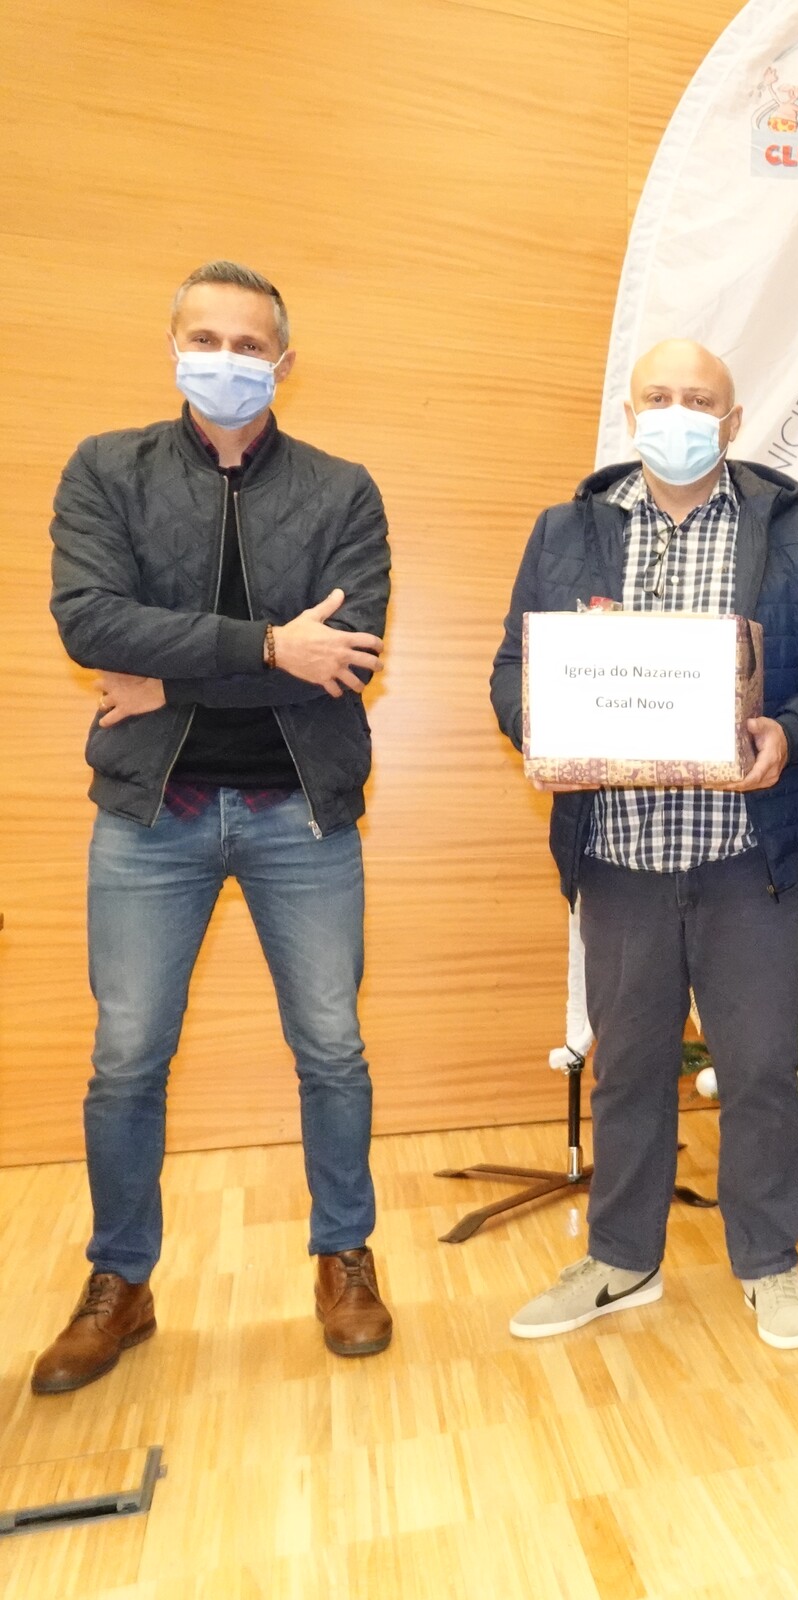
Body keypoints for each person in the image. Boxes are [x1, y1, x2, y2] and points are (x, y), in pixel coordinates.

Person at [40, 260, 395, 1393]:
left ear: (285, 362)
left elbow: (348, 659)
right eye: (206, 338)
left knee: (332, 1048)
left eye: (249, 344)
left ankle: (344, 1255)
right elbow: (90, 622)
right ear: (173, 347)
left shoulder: (343, 491)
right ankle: (121, 1280)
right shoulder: (108, 470)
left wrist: (170, 674)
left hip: (304, 811)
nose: (226, 359)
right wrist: (269, 647)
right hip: (153, 813)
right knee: (125, 1058)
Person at [489, 339, 798, 1350]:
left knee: (760, 1069)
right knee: (627, 1069)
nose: (677, 413)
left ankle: (769, 1262)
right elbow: (512, 668)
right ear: (630, 413)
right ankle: (621, 1260)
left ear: (732, 422)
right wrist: (543, 732)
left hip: (747, 854)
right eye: (658, 396)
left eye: (699, 400)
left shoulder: (793, 530)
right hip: (617, 853)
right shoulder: (566, 529)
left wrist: (789, 731)